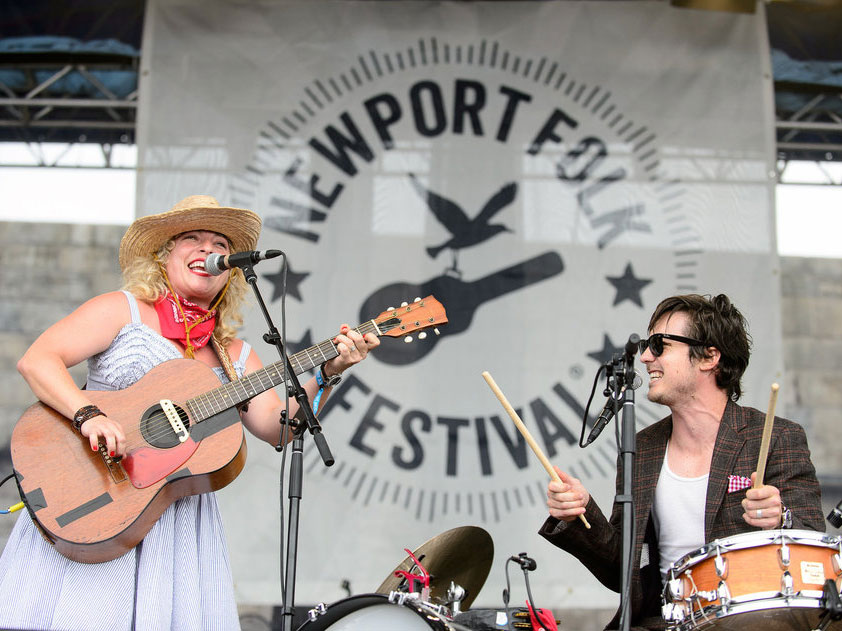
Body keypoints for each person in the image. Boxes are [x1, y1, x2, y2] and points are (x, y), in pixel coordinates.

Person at [0, 195, 379, 631]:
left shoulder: (237, 355)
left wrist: (329, 373)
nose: (206, 249)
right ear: (165, 255)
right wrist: (89, 414)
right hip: (92, 494)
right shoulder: (121, 311)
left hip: (174, 521)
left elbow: (281, 430)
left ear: (232, 269)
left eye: (218, 242)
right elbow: (38, 360)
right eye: (192, 239)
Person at [539, 294, 824, 631]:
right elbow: (625, 573)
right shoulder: (642, 448)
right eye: (647, 345)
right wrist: (581, 513)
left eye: (659, 344)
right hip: (662, 622)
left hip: (749, 621)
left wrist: (780, 517)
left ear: (709, 356)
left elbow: (813, 546)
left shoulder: (775, 437)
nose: (645, 357)